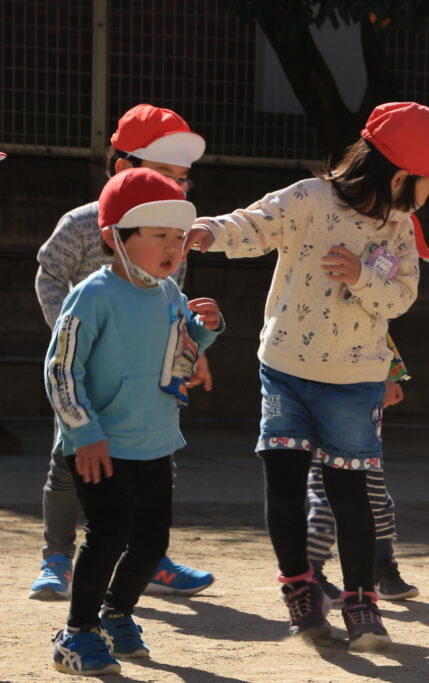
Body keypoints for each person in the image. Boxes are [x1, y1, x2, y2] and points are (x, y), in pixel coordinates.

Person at [183, 102, 429, 650]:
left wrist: (363, 276)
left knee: (349, 490)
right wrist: (210, 231)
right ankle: (300, 589)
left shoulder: (400, 228)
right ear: (403, 176)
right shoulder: (310, 199)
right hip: (285, 368)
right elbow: (255, 224)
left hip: (356, 377)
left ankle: (361, 600)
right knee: (284, 480)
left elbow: (402, 296)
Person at [31, 103, 214, 601]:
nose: (175, 186)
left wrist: (192, 351)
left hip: (147, 376)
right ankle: (56, 558)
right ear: (122, 168)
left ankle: (147, 555)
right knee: (68, 464)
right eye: (162, 173)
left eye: (182, 178)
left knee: (155, 459)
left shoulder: (173, 231)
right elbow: (49, 275)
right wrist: (67, 337)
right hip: (87, 371)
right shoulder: (82, 223)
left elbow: (172, 303)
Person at [48, 168, 224, 675]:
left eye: (178, 238)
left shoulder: (169, 293)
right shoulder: (92, 295)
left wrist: (203, 332)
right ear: (114, 239)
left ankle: (117, 613)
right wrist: (83, 434)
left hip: (154, 442)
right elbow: (60, 368)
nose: (172, 248)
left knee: (151, 542)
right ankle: (76, 634)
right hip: (97, 444)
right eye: (158, 236)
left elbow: (178, 358)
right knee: (108, 533)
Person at [308, 216, 429, 604]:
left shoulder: (380, 302)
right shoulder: (338, 286)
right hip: (325, 413)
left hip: (365, 421)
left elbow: (382, 340)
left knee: (377, 499)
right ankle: (310, 571)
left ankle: (381, 567)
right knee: (325, 499)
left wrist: (391, 378)